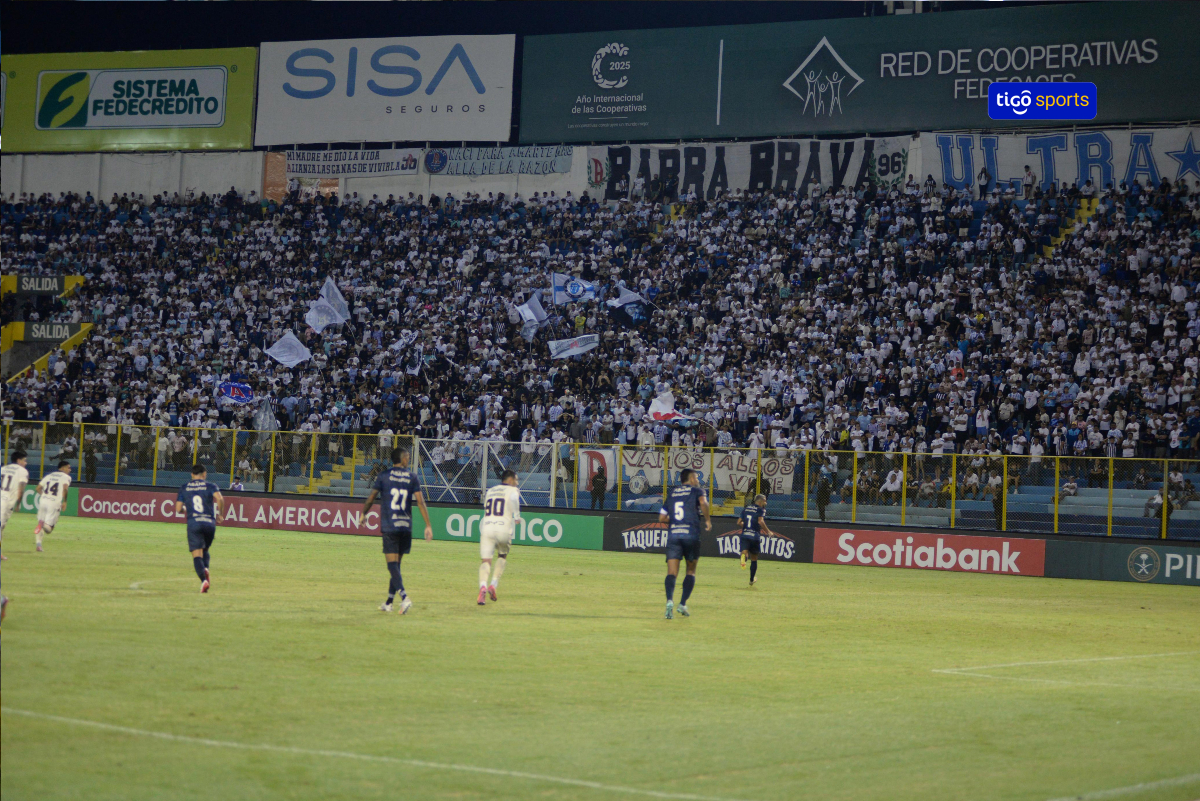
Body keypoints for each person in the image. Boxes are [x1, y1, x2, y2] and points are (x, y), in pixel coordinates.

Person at [362, 447, 432, 614]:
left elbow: (371, 497)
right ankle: (389, 602)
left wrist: (363, 513)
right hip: (406, 526)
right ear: (402, 459)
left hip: (390, 525)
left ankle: (405, 597)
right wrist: (428, 525)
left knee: (392, 566)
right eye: (407, 456)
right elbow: (420, 502)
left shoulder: (384, 476)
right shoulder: (412, 477)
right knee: (396, 566)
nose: (409, 459)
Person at [658, 468, 710, 619]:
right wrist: (707, 520)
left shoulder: (672, 493)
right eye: (696, 477)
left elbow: (661, 518)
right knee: (690, 571)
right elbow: (704, 503)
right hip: (691, 534)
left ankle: (669, 601)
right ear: (691, 478)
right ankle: (682, 603)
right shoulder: (697, 491)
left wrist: (676, 521)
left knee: (672, 572)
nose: (698, 481)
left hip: (674, 535)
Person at [175, 463, 224, 593]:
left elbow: (179, 508)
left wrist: (186, 509)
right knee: (205, 549)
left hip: (194, 524)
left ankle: (204, 580)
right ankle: (206, 568)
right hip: (209, 524)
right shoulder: (211, 485)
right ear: (204, 474)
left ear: (191, 474)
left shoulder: (184, 487)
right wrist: (220, 514)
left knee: (197, 555)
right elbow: (220, 499)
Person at [477, 469, 520, 605]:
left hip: (487, 527)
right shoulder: (513, 491)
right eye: (516, 480)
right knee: (502, 556)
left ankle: (483, 586)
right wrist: (517, 516)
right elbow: (513, 499)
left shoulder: (490, 491)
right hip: (503, 528)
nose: (517, 483)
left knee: (486, 561)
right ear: (510, 480)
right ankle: (493, 585)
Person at [33, 461, 72, 552]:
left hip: (43, 501)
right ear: (62, 468)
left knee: (41, 522)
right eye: (68, 467)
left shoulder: (48, 476)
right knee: (49, 529)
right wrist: (65, 501)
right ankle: (42, 525)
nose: (70, 470)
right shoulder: (66, 477)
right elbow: (65, 488)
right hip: (54, 503)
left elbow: (38, 488)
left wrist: (45, 496)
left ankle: (39, 545)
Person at [738, 494, 776, 586]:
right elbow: (760, 521)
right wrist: (768, 532)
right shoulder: (761, 509)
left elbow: (739, 522)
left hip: (745, 534)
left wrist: (747, 526)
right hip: (754, 536)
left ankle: (744, 558)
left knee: (745, 551)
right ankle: (751, 580)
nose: (766, 503)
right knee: (754, 558)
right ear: (760, 501)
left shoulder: (746, 509)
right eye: (765, 501)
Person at [1, 450, 30, 563]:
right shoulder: (22, 471)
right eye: (24, 460)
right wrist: (19, 503)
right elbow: (21, 488)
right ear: (18, 460)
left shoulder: (3, 468)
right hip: (6, 501)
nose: (26, 463)